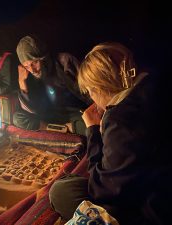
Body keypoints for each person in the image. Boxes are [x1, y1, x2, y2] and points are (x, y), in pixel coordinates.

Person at [49, 42, 170, 224]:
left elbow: (102, 191)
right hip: (153, 185)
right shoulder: (151, 85)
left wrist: (93, 130)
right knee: (69, 184)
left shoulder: (121, 118)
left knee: (62, 193)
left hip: (150, 208)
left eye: (91, 91)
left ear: (101, 87)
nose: (92, 98)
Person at [13, 35, 90, 135]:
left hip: (75, 113)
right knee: (17, 118)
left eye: (34, 62)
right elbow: (31, 111)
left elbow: (88, 90)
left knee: (93, 127)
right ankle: (64, 128)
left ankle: (70, 127)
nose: (32, 70)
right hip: (51, 115)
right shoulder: (28, 75)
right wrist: (22, 83)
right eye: (26, 66)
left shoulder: (64, 61)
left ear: (43, 57)